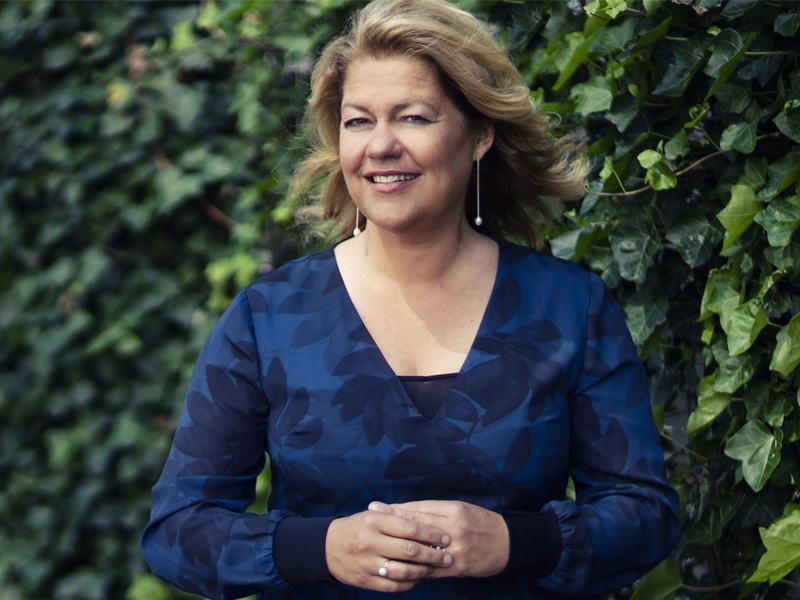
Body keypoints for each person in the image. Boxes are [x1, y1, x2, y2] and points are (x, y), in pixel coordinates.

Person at [141, 0, 681, 598]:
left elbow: (645, 515)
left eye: (414, 117)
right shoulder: (268, 317)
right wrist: (321, 547)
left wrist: (517, 541)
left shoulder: (569, 307)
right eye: (358, 122)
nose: (380, 145)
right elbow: (177, 530)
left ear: (479, 134)